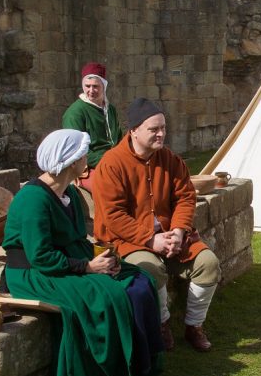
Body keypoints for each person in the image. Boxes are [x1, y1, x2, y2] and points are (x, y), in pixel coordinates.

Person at [1, 129, 163, 376]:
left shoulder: (71, 193)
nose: (86, 158)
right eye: (82, 154)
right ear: (70, 161)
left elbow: (77, 239)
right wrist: (88, 268)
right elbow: (41, 257)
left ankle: (140, 365)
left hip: (67, 261)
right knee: (104, 296)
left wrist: (105, 261)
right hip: (34, 274)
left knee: (138, 277)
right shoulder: (33, 199)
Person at [92, 98, 221, 352]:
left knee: (208, 264)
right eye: (154, 129)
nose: (161, 133)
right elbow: (113, 215)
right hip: (126, 241)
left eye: (163, 127)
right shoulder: (111, 164)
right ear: (134, 131)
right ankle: (162, 324)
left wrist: (178, 231)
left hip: (170, 235)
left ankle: (194, 326)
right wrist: (151, 239)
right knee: (151, 270)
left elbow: (185, 196)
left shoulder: (170, 160)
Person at [62, 62, 123, 191]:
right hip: (87, 166)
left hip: (115, 161)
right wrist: (111, 161)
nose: (91, 90)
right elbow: (76, 150)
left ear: (104, 86)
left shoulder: (110, 109)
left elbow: (118, 138)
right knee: (110, 188)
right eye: (87, 86)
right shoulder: (75, 113)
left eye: (95, 86)